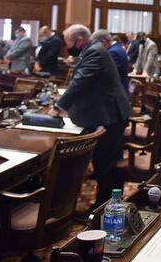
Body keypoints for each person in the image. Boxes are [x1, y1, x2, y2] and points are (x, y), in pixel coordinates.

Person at [48, 25, 131, 209]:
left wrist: (59, 106)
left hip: (110, 114)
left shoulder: (94, 51)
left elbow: (81, 81)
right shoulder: (94, 50)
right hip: (109, 112)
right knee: (109, 161)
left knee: (104, 163)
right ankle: (112, 203)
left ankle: (103, 206)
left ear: (78, 40)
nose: (66, 46)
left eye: (68, 42)